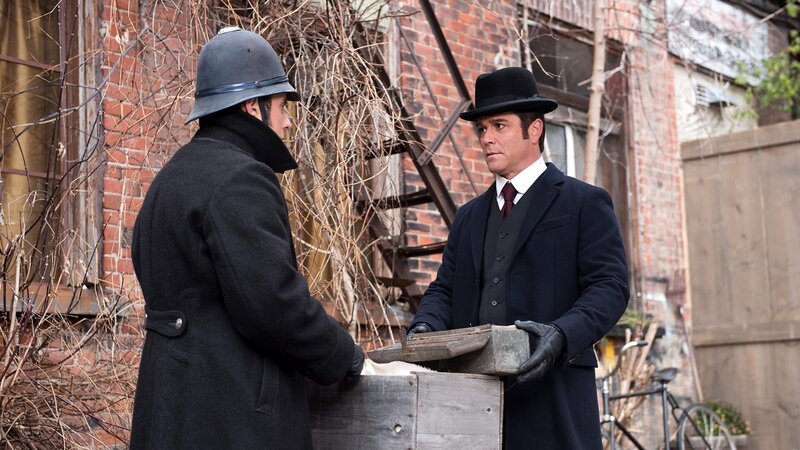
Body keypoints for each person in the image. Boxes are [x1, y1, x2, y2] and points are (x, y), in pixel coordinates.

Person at [129, 27, 363, 449]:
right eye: (281, 105)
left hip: (167, 409)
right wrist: (345, 356)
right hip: (229, 418)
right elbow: (273, 304)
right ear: (253, 107)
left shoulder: (171, 176)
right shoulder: (241, 177)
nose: (289, 120)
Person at [408, 67, 629, 449]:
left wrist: (561, 335)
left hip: (553, 402)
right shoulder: (469, 217)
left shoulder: (582, 202)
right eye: (482, 130)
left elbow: (610, 287)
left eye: (499, 126)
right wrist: (425, 329)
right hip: (473, 406)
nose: (487, 139)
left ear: (535, 129)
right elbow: (444, 289)